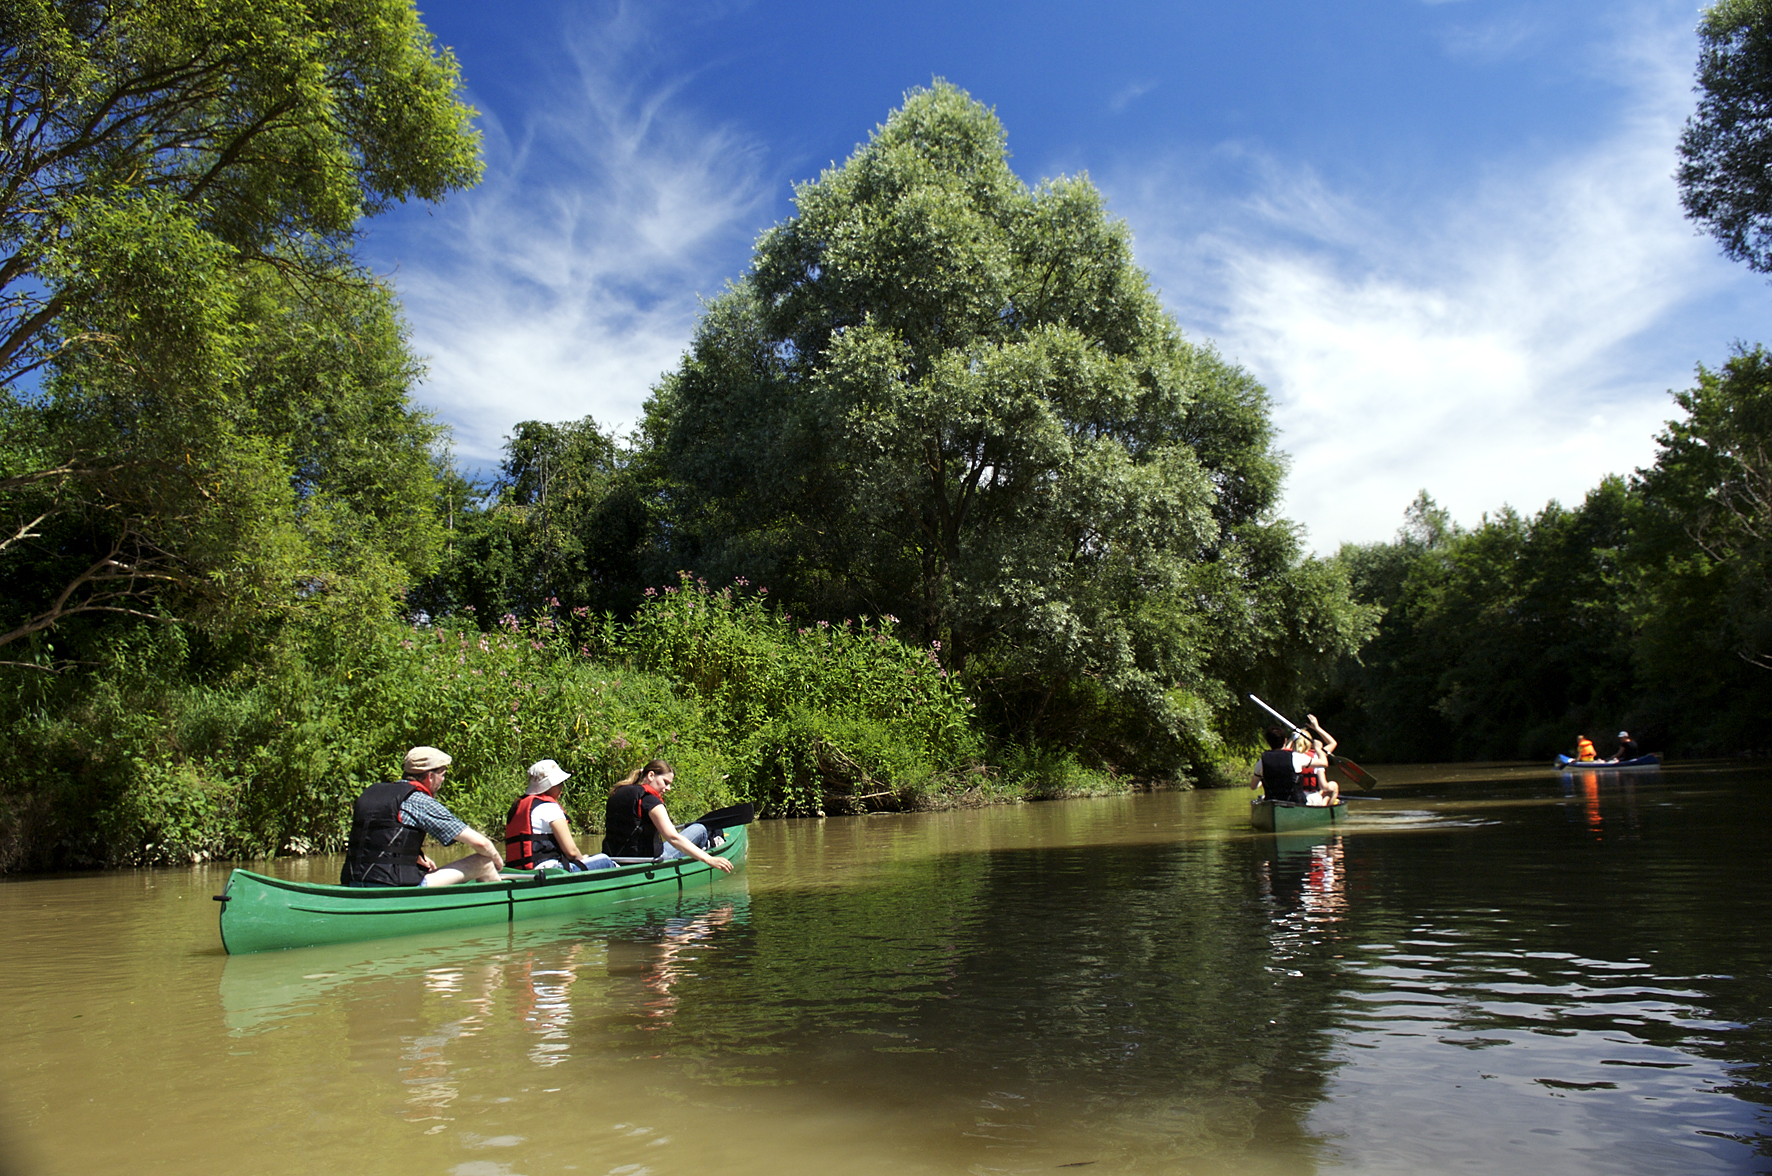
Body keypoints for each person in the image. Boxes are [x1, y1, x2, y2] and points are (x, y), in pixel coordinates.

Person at [341, 746, 503, 887]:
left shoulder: (372, 793)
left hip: (353, 880)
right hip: (391, 885)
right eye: (442, 774)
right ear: (430, 777)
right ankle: (497, 904)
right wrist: (498, 861)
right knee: (484, 862)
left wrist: (417, 856)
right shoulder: (418, 800)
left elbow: (379, 837)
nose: (443, 780)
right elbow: (481, 843)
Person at [602, 759, 735, 873]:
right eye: (665, 782)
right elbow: (673, 838)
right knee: (699, 829)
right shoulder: (651, 801)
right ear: (651, 775)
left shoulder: (618, 792)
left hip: (617, 859)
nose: (668, 788)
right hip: (647, 862)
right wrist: (709, 859)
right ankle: (708, 846)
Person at [504, 759, 618, 872]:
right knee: (605, 860)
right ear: (549, 785)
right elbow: (572, 852)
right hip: (550, 871)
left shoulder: (517, 807)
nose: (562, 787)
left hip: (519, 872)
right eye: (559, 783)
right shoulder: (549, 807)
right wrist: (582, 859)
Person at [1251, 724, 1325, 805]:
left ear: (1268, 742)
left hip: (1273, 803)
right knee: (1318, 797)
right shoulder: (1296, 757)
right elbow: (1324, 762)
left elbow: (1253, 787)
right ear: (1285, 741)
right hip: (1296, 803)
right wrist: (1318, 749)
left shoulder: (1261, 762)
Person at [1294, 715, 1342, 806]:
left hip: (1294, 797)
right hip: (1311, 798)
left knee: (1322, 792)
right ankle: (1326, 807)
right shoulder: (1317, 756)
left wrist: (1291, 739)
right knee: (1332, 786)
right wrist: (1317, 728)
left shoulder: (1288, 755)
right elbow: (1333, 743)